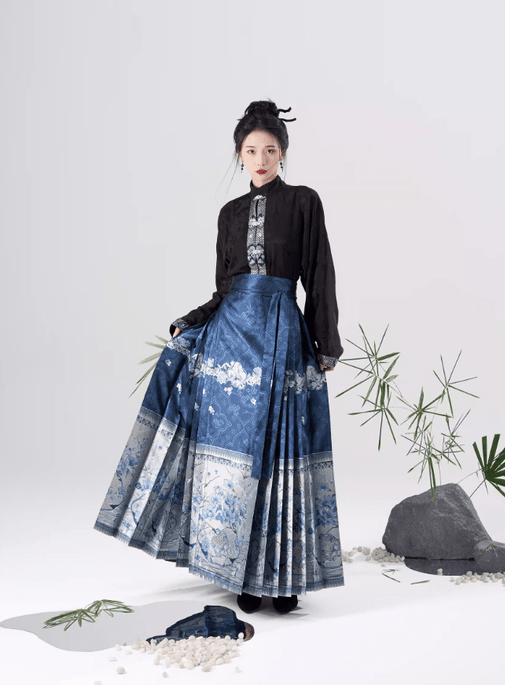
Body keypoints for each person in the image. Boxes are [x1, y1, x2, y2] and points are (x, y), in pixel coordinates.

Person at [94, 99, 345, 615]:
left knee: (278, 454)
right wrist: (191, 320)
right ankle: (241, 575)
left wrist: (326, 343)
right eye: (251, 151)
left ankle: (284, 579)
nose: (260, 159)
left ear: (283, 153)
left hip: (282, 338)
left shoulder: (304, 202)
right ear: (238, 155)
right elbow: (224, 288)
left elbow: (319, 274)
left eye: (269, 150)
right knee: (234, 462)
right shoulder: (228, 214)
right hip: (231, 344)